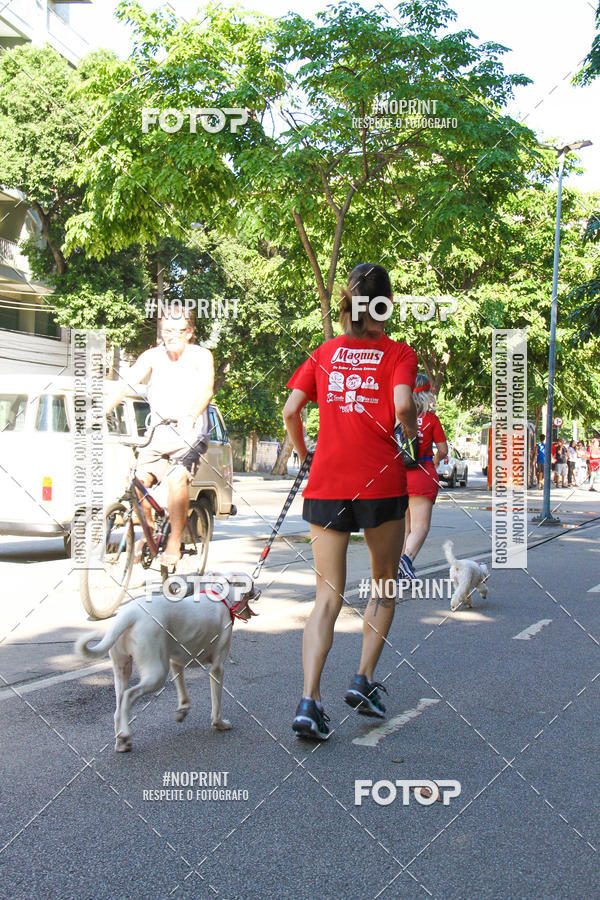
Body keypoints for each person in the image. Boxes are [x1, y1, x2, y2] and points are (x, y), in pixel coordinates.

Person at [283, 263, 417, 740]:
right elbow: (403, 404)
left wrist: (304, 454)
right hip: (380, 485)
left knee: (327, 595)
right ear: (386, 304)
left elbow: (290, 410)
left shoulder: (324, 353)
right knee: (383, 585)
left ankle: (309, 700)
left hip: (327, 484)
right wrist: (411, 435)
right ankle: (362, 680)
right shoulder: (399, 352)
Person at [106, 307, 214, 567]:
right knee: (137, 483)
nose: (171, 336)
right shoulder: (152, 356)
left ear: (189, 332)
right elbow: (127, 383)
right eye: (166, 331)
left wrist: (190, 415)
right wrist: (101, 411)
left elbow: (207, 389)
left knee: (177, 478)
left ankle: (174, 544)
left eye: (178, 331)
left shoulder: (201, 356)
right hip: (157, 433)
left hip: (190, 433)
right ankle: (150, 534)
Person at [398, 374, 448, 580]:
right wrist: (436, 459)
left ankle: (397, 569)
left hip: (399, 476)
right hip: (422, 473)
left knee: (405, 527)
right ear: (428, 394)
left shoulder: (398, 416)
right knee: (421, 527)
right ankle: (405, 562)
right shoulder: (431, 420)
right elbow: (443, 449)